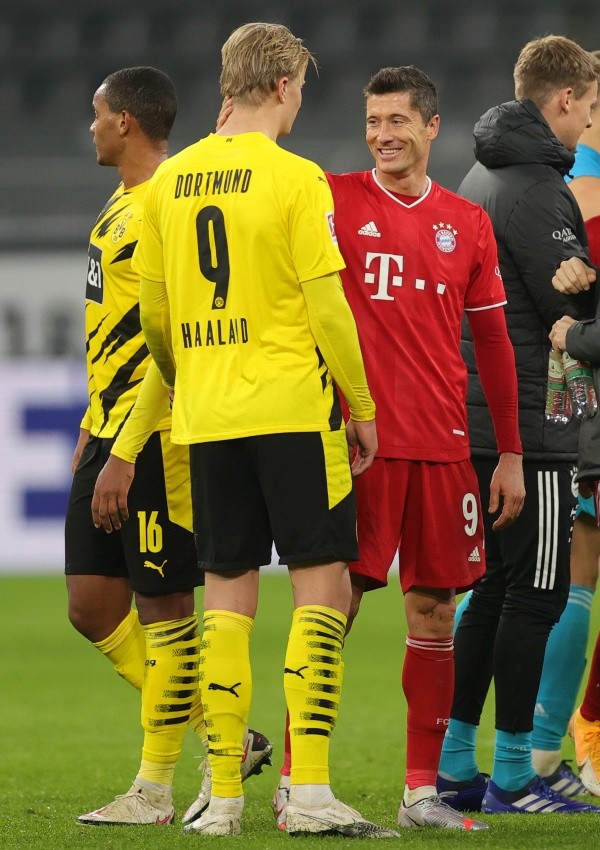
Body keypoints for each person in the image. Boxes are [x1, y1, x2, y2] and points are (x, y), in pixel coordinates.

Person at [132, 22, 398, 839]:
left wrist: (196, 380)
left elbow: (155, 318)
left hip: (208, 417)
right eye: (302, 92)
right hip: (288, 409)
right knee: (322, 584)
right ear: (284, 86)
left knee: (225, 598)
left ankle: (221, 798)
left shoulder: (169, 182)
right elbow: (328, 308)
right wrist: (361, 406)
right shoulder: (297, 179)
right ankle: (310, 793)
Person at [266, 64, 525, 832]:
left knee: (436, 611)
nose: (383, 136)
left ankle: (421, 793)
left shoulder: (465, 222)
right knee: (330, 610)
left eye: (398, 122)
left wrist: (507, 452)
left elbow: (493, 342)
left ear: (432, 127)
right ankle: (294, 779)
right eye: (373, 122)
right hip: (358, 445)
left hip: (445, 447)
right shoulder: (333, 199)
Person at [65, 66, 271, 827]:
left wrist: (126, 444)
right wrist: (95, 425)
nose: (90, 127)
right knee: (89, 606)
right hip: (105, 428)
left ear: (126, 122)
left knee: (163, 603)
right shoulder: (121, 201)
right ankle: (223, 734)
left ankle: (153, 789)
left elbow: (169, 337)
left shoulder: (166, 201)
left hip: (153, 436)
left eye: (97, 114)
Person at [437, 35, 600, 815]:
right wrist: (591, 291)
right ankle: (509, 777)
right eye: (592, 108)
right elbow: (566, 311)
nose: (590, 125)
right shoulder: (538, 185)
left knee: (498, 592)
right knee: (535, 595)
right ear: (564, 100)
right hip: (530, 422)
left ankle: (454, 760)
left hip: (483, 411)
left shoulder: (482, 170)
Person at [532, 50, 600, 792]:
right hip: (580, 400)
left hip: (574, 394)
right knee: (571, 569)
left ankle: (554, 743)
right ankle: (558, 740)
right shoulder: (582, 178)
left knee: (575, 571)